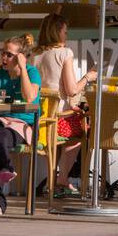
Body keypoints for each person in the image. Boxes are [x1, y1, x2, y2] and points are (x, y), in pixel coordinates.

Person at [33, 15, 98, 195]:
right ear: (57, 32)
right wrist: (88, 77)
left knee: (74, 120)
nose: (66, 35)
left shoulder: (34, 54)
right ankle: (61, 179)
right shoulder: (64, 53)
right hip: (58, 119)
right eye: (65, 32)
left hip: (39, 119)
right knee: (83, 130)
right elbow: (71, 90)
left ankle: (53, 179)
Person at [0, 34, 42, 187]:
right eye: (3, 52)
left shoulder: (32, 72)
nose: (4, 57)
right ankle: (1, 177)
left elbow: (29, 97)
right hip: (0, 120)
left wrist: (23, 68)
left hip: (24, 124)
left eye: (9, 55)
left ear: (21, 57)